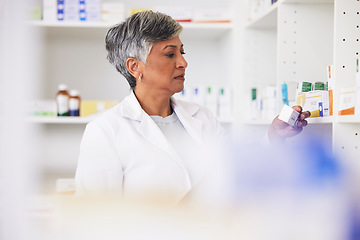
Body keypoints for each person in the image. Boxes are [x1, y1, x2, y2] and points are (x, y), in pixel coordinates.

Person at [75, 10, 310, 204]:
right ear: (135, 67)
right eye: (170, 54)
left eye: (182, 52)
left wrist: (273, 136)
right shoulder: (105, 131)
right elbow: (95, 218)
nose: (183, 62)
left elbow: (234, 170)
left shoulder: (201, 116)